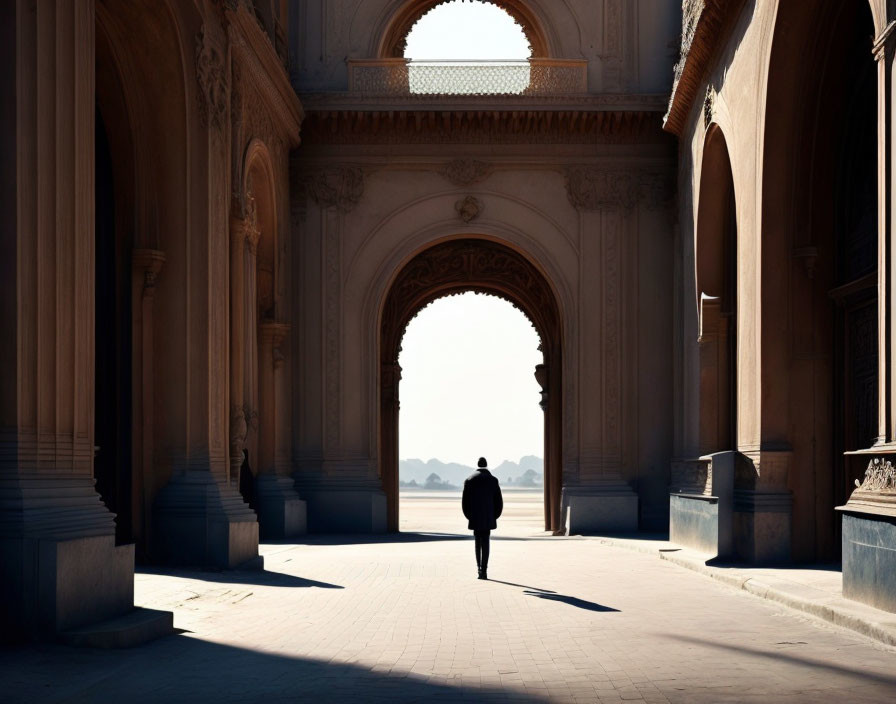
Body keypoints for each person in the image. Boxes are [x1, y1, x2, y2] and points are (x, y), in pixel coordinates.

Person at [462, 457, 503, 580]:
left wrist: (469, 516)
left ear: (477, 465)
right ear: (487, 465)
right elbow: (499, 502)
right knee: (486, 543)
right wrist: (494, 516)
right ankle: (484, 570)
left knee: (477, 543)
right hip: (488, 517)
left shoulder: (469, 480)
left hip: (475, 517)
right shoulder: (493, 480)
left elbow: (465, 503)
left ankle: (478, 569)